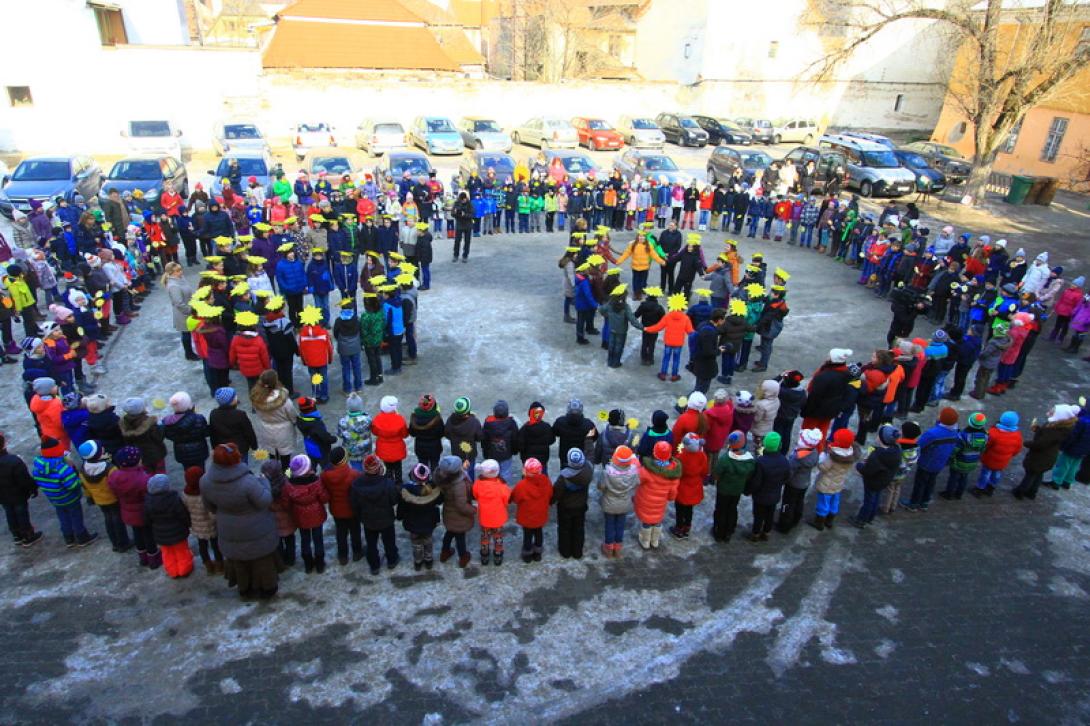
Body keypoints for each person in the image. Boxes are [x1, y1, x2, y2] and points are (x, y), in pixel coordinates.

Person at [201, 443, 281, 600]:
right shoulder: (248, 482)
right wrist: (264, 482)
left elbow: (210, 507)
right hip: (256, 528)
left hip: (229, 528)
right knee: (261, 560)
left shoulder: (205, 481)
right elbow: (265, 500)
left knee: (239, 561)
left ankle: (244, 588)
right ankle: (267, 588)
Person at [902, 407, 960, 511]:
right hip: (940, 463)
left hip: (926, 463)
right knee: (931, 482)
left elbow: (919, 445)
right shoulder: (955, 432)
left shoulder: (932, 433)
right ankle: (925, 502)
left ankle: (913, 504)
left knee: (920, 483)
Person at [1013, 405, 1078, 499]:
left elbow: (1040, 444)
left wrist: (1026, 443)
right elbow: (1047, 438)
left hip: (1040, 457)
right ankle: (1032, 493)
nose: (1050, 411)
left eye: (1053, 411)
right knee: (1038, 474)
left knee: (1030, 475)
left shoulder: (1053, 430)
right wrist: (1038, 430)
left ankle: (1020, 491)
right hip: (1048, 457)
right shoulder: (1060, 428)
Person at [351, 454, 400, 575]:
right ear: (379, 468)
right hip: (386, 518)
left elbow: (354, 503)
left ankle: (374, 566)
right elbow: (394, 500)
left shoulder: (357, 484)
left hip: (368, 520)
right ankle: (392, 560)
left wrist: (361, 516)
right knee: (389, 541)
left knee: (371, 543)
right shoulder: (387, 483)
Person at [283, 454, 329, 574]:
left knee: (305, 539)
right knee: (318, 539)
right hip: (316, 515)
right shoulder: (316, 482)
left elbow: (287, 502)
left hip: (300, 516)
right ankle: (320, 564)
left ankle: (308, 565)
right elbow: (324, 498)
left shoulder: (289, 484)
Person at [850, 425, 902, 528]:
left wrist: (859, 466)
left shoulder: (877, 455)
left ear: (882, 439)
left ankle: (861, 519)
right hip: (884, 480)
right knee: (876, 497)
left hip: (873, 481)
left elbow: (868, 471)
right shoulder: (896, 451)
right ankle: (870, 517)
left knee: (869, 500)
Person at [143, 474, 194, 579]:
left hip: (160, 534)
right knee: (182, 551)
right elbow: (182, 514)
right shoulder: (174, 499)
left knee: (167, 553)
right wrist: (188, 524)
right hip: (178, 532)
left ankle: (172, 571)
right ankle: (184, 570)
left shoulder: (148, 502)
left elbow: (146, 519)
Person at [634, 440, 680, 550]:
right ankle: (655, 540)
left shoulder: (647, 470)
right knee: (657, 521)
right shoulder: (673, 473)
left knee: (647, 522)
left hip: (646, 502)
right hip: (660, 504)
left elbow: (637, 479)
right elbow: (673, 492)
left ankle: (645, 541)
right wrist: (670, 498)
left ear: (654, 453)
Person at [397, 462, 441, 571]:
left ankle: (418, 562)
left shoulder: (407, 491)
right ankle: (428, 560)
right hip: (428, 523)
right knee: (428, 540)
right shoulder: (432, 490)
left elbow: (401, 508)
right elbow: (439, 502)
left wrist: (399, 516)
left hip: (413, 524)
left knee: (416, 542)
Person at [0, 434, 42, 547]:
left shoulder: (13, 461)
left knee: (9, 512)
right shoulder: (14, 461)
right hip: (18, 494)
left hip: (3, 496)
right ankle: (28, 536)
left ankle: (16, 535)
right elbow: (24, 479)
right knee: (21, 513)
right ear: (4, 444)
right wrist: (33, 488)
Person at [746, 432, 789, 542]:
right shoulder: (784, 461)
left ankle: (755, 533)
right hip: (774, 495)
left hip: (760, 496)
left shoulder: (761, 462)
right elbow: (787, 477)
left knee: (758, 516)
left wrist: (749, 490)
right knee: (770, 515)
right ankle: (766, 532)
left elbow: (756, 482)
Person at [777, 428, 821, 533]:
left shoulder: (798, 457)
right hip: (804, 483)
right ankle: (796, 519)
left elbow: (790, 472)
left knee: (787, 504)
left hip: (793, 485)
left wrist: (783, 481)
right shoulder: (814, 452)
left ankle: (784, 525)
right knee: (799, 501)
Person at [552, 448, 592, 559]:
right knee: (579, 529)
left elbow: (556, 492)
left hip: (565, 507)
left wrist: (552, 501)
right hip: (581, 505)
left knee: (564, 530)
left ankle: (565, 551)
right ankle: (577, 552)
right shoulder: (588, 471)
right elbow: (591, 456)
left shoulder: (564, 477)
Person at [644, 292, 694, 382]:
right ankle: (674, 375)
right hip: (678, 343)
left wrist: (647, 329)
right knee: (676, 359)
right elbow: (690, 332)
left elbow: (658, 327)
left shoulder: (668, 316)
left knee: (666, 358)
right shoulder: (685, 318)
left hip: (668, 342)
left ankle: (663, 374)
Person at [181, 466, 221, 575]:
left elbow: (185, 510)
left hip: (196, 526)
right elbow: (212, 512)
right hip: (210, 525)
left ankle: (208, 565)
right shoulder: (205, 494)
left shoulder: (185, 494)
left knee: (202, 546)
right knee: (216, 545)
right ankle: (219, 565)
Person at [940, 412, 988, 500]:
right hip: (971, 462)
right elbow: (983, 449)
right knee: (964, 478)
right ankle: (959, 494)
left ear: (969, 422)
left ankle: (948, 494)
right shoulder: (985, 436)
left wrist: (950, 458)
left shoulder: (962, 436)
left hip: (958, 462)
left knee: (953, 478)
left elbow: (955, 450)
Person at [512, 457, 551, 562]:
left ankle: (527, 553)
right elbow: (550, 494)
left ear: (525, 471)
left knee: (527, 535)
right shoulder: (546, 481)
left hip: (527, 516)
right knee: (539, 532)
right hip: (540, 515)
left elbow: (515, 498)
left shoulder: (521, 485)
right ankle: (538, 553)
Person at [472, 459, 511, 565]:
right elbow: (507, 500)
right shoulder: (502, 486)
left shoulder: (478, 483)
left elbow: (475, 495)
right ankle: (498, 555)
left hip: (484, 518)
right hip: (498, 518)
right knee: (498, 537)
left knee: (485, 537)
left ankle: (484, 556)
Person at [975, 411, 1022, 496]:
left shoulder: (994, 432)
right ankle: (991, 487)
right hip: (1003, 461)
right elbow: (1017, 449)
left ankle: (980, 488)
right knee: (997, 474)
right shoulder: (1017, 435)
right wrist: (1009, 455)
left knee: (986, 473)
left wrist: (982, 452)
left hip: (990, 459)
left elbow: (986, 445)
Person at [671, 432, 708, 539]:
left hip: (682, 488)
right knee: (689, 509)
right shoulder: (702, 456)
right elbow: (705, 471)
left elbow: (676, 473)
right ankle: (687, 527)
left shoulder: (680, 457)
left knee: (680, 510)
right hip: (695, 486)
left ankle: (679, 528)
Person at [1052, 401, 1090, 490]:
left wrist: (1064, 445)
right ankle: (1068, 481)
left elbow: (1073, 436)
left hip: (1073, 448)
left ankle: (1056, 481)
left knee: (1063, 464)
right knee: (1074, 465)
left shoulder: (1082, 421)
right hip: (1085, 450)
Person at [371, 395, 408, 484]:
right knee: (398, 467)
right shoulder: (400, 419)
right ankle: (399, 483)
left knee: (388, 468)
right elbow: (405, 434)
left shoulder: (377, 419)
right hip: (397, 449)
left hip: (383, 449)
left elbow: (374, 432)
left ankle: (389, 483)